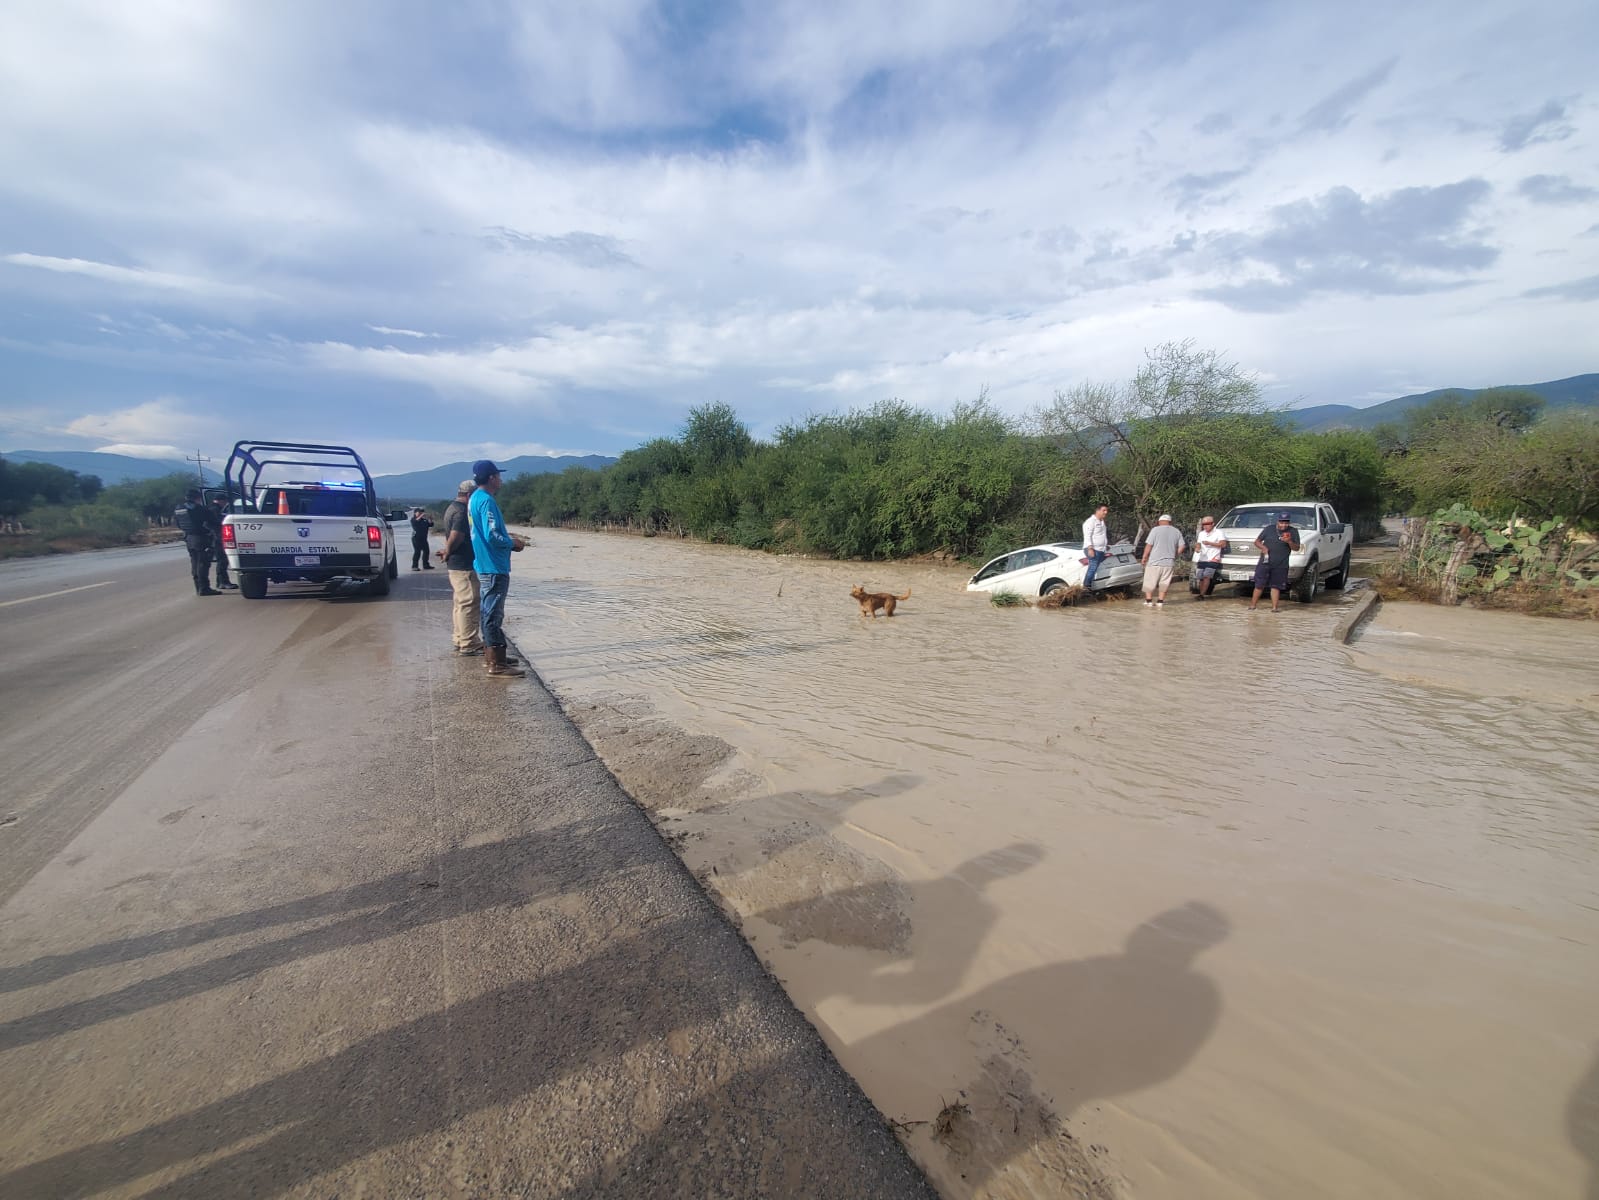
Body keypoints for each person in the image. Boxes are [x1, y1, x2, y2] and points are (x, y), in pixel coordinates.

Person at [467, 460, 528, 678]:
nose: (501, 480)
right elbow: (492, 535)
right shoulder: (486, 501)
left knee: (487, 611)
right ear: (492, 478)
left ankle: (493, 655)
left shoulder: (474, 498)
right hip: (493, 565)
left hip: (484, 564)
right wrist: (513, 543)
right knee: (493, 614)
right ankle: (497, 664)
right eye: (499, 476)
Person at [436, 480, 487, 657]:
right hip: (464, 564)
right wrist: (448, 551)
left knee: (460, 603)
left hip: (456, 564)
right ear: (469, 495)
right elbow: (456, 536)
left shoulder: (452, 508)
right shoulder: (461, 512)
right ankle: (469, 642)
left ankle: (459, 638)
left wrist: (447, 551)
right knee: (469, 602)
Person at [1250, 512, 1302, 612]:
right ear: (1277, 521)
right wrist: (1263, 548)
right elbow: (1257, 542)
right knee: (1259, 585)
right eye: (1282, 522)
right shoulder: (1269, 529)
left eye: (1286, 523)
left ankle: (1274, 608)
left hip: (1281, 564)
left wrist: (1289, 541)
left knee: (1276, 586)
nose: (1284, 525)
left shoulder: (1293, 531)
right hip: (1265, 562)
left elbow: (1297, 548)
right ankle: (1252, 606)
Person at [174, 487, 220, 596]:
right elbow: (213, 522)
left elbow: (178, 524)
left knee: (195, 563)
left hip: (188, 538)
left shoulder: (179, 509)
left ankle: (198, 587)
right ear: (198, 498)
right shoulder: (200, 509)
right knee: (203, 563)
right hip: (200, 538)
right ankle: (204, 588)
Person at [1140, 513, 1186, 608]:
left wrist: (1144, 557)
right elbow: (1182, 546)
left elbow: (1149, 545)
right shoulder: (1176, 531)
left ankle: (1149, 601)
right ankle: (1160, 602)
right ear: (1170, 522)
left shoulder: (1155, 530)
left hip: (1154, 562)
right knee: (1164, 583)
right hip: (1169, 563)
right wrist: (1174, 555)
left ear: (1159, 522)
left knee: (1149, 582)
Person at [207, 495, 238, 590]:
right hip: (217, 539)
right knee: (222, 561)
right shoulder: (215, 510)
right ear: (221, 501)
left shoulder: (213, 509)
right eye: (225, 502)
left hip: (216, 538)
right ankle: (223, 582)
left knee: (222, 561)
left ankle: (220, 582)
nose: (225, 504)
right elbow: (218, 523)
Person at [1192, 515, 1226, 599]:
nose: (1205, 526)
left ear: (1212, 524)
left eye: (1207, 524)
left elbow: (1223, 544)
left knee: (1206, 576)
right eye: (1203, 524)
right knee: (1200, 577)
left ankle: (1202, 595)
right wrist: (1197, 548)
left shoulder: (1219, 532)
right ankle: (1201, 593)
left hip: (1213, 558)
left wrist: (1210, 543)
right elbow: (1198, 543)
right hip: (1202, 557)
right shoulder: (1201, 533)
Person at [1081, 504, 1111, 591]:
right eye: (1104, 510)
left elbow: (1101, 535)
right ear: (1098, 511)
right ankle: (1086, 586)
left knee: (1095, 567)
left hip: (1101, 549)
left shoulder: (1102, 522)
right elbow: (1087, 536)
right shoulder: (1090, 522)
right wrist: (1090, 548)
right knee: (1093, 567)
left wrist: (1105, 545)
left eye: (1106, 510)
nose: (1106, 512)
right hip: (1093, 549)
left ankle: (1092, 586)